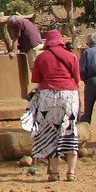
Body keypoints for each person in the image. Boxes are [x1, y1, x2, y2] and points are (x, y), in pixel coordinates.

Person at [28, 29, 82, 182]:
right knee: (70, 131)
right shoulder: (71, 56)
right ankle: (71, 173)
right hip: (68, 96)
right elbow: (77, 78)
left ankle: (54, 173)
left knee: (50, 133)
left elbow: (36, 78)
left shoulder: (41, 58)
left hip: (47, 97)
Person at [7, 15, 44, 93]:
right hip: (39, 46)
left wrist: (13, 51)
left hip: (34, 48)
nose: (11, 28)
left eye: (10, 25)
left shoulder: (17, 23)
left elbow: (15, 38)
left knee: (35, 69)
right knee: (40, 69)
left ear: (12, 22)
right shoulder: (26, 22)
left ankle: (41, 89)